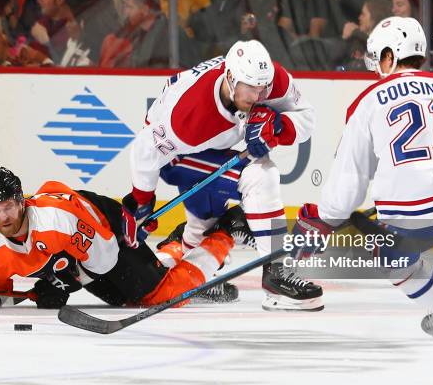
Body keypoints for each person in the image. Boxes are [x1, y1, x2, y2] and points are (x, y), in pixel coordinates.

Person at [296, 16, 433, 339]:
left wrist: (327, 218)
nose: (377, 69)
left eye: (379, 60)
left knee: (387, 253)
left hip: (411, 215)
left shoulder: (366, 102)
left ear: (389, 56)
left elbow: (350, 179)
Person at [122, 39, 323, 312]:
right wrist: (142, 201)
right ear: (230, 78)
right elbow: (145, 148)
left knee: (207, 217)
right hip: (177, 156)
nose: (260, 95)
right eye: (251, 88)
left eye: (263, 87)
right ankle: (276, 274)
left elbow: (307, 117)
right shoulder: (190, 116)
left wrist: (278, 125)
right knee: (260, 175)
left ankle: (196, 265)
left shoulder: (270, 78)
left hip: (211, 147)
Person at [0, 167, 246, 309]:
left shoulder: (56, 221)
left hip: (101, 226)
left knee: (158, 296)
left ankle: (227, 230)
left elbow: (105, 257)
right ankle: (176, 246)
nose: (3, 217)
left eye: (8, 207)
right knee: (122, 299)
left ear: (22, 201)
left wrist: (65, 283)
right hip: (74, 252)